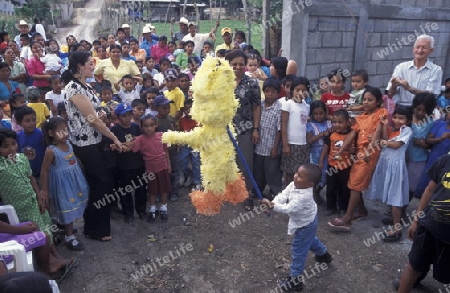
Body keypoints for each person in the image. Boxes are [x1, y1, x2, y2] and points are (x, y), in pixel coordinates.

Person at [62, 51, 123, 242]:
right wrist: (113, 137)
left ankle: (94, 226)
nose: (93, 66)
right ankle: (95, 228)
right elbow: (92, 120)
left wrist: (102, 113)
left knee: (100, 183)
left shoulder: (85, 85)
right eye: (90, 63)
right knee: (102, 182)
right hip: (85, 143)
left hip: (95, 139)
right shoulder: (73, 88)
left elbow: (94, 113)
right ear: (80, 66)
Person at [0, 128, 72, 276]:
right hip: (21, 208)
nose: (12, 148)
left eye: (14, 144)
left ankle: (56, 257)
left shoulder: (21, 158)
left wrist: (40, 197)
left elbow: (31, 178)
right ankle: (47, 265)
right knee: (41, 233)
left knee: (47, 226)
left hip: (33, 201)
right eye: (5, 146)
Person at [260, 164, 333, 292]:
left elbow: (289, 208)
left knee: (298, 250)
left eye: (300, 176)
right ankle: (324, 255)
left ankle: (296, 281)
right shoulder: (294, 184)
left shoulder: (304, 196)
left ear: (309, 184)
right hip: (307, 221)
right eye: (296, 173)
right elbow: (283, 195)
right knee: (309, 240)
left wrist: (272, 207)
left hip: (306, 224)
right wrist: (273, 203)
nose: (295, 176)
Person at [328, 87, 388, 231]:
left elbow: (378, 131)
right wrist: (341, 151)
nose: (366, 102)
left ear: (378, 101)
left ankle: (347, 219)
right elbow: (351, 135)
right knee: (354, 182)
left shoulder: (381, 113)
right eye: (365, 100)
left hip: (369, 153)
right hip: (359, 153)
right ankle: (361, 211)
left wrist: (369, 149)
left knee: (355, 184)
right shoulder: (360, 118)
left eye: (370, 100)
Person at [397, 154, 450, 293]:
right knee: (414, 266)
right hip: (429, 227)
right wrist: (416, 220)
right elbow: (429, 190)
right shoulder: (444, 160)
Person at [40, 117, 89, 251]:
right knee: (66, 207)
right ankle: (69, 237)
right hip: (63, 186)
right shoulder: (51, 151)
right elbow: (44, 171)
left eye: (65, 129)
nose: (65, 133)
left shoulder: (70, 144)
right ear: (51, 133)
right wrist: (44, 190)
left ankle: (66, 227)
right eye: (60, 131)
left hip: (75, 182)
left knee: (74, 205)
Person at [366, 106, 412, 242]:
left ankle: (397, 229)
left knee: (395, 197)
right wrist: (385, 126)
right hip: (387, 164)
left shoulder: (407, 130)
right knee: (389, 195)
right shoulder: (394, 131)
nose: (397, 120)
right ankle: (394, 219)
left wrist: (378, 141)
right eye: (396, 117)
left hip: (396, 167)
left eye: (401, 118)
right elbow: (387, 139)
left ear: (408, 121)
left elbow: (395, 145)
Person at [225, 50, 261, 211]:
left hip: (245, 129)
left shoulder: (251, 83)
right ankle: (231, 192)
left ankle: (247, 195)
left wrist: (255, 128)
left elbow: (256, 107)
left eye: (241, 64)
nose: (237, 67)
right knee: (227, 162)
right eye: (234, 64)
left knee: (246, 163)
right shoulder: (222, 82)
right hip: (225, 130)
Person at [131, 114, 171, 222]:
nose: (149, 128)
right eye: (146, 126)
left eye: (151, 125)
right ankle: (152, 210)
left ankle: (163, 208)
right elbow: (134, 149)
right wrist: (128, 142)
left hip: (163, 167)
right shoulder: (140, 139)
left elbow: (165, 151)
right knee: (152, 191)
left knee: (164, 190)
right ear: (141, 127)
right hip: (151, 171)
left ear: (156, 125)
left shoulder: (161, 136)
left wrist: (169, 165)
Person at [111, 103, 147, 223]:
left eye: (129, 114)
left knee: (141, 189)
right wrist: (122, 145)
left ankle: (141, 210)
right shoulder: (114, 130)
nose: (127, 118)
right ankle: (128, 213)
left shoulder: (136, 127)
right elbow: (110, 146)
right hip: (123, 166)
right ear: (118, 117)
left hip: (138, 163)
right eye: (124, 115)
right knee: (125, 191)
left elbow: (141, 140)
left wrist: (136, 141)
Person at [387, 34, 443, 108]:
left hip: (421, 110)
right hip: (401, 109)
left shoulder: (436, 70)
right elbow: (389, 94)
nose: (420, 50)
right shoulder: (401, 67)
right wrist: (393, 86)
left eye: (424, 48)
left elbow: (430, 96)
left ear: (431, 50)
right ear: (413, 49)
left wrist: (409, 88)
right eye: (417, 47)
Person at [319, 109, 354, 216]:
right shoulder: (331, 134)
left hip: (345, 166)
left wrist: (353, 150)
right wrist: (321, 161)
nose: (337, 125)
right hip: (332, 166)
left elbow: (354, 149)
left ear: (347, 122)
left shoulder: (352, 135)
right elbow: (325, 148)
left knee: (344, 189)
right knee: (331, 187)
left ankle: (343, 208)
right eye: (334, 122)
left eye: (340, 122)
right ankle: (330, 207)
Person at [253, 78, 282, 200]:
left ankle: (275, 192)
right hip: (259, 145)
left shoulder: (279, 108)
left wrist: (275, 148)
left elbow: (279, 130)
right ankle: (258, 190)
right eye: (267, 91)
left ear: (278, 93)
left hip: (271, 146)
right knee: (258, 171)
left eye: (273, 92)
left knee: (272, 172)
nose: (270, 94)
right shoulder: (260, 105)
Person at [281, 77, 310, 186]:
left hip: (303, 144)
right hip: (291, 144)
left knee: (300, 171)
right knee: (289, 172)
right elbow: (283, 125)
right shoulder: (288, 104)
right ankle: (288, 193)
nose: (300, 93)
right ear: (292, 90)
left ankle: (297, 192)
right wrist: (285, 145)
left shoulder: (306, 106)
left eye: (303, 90)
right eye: (297, 90)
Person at [414, 111, 450, 198]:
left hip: (446, 164)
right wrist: (441, 138)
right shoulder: (439, 124)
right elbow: (428, 140)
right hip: (433, 158)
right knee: (425, 184)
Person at [407, 93, 436, 200]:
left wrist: (424, 144)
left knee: (411, 188)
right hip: (403, 159)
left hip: (419, 160)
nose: (420, 113)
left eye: (424, 111)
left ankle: (402, 211)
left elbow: (431, 143)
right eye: (418, 109)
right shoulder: (407, 118)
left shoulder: (431, 123)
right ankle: (394, 211)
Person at [306, 100, 332, 204]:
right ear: (311, 114)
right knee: (316, 174)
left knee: (326, 175)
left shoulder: (329, 123)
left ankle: (318, 191)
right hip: (315, 153)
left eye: (321, 113)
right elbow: (309, 140)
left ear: (325, 113)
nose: (319, 116)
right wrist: (321, 134)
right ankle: (313, 193)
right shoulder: (310, 125)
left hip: (327, 153)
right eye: (315, 114)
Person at [15, 106, 46, 178]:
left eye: (34, 120)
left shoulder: (42, 134)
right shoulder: (17, 137)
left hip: (43, 173)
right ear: (19, 123)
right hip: (28, 174)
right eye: (27, 121)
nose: (32, 123)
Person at [178, 99, 202, 191]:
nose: (188, 111)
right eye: (186, 109)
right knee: (181, 161)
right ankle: (190, 175)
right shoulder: (182, 120)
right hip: (185, 144)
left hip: (196, 144)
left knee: (196, 162)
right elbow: (180, 131)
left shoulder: (198, 120)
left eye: (191, 109)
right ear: (183, 110)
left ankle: (197, 182)